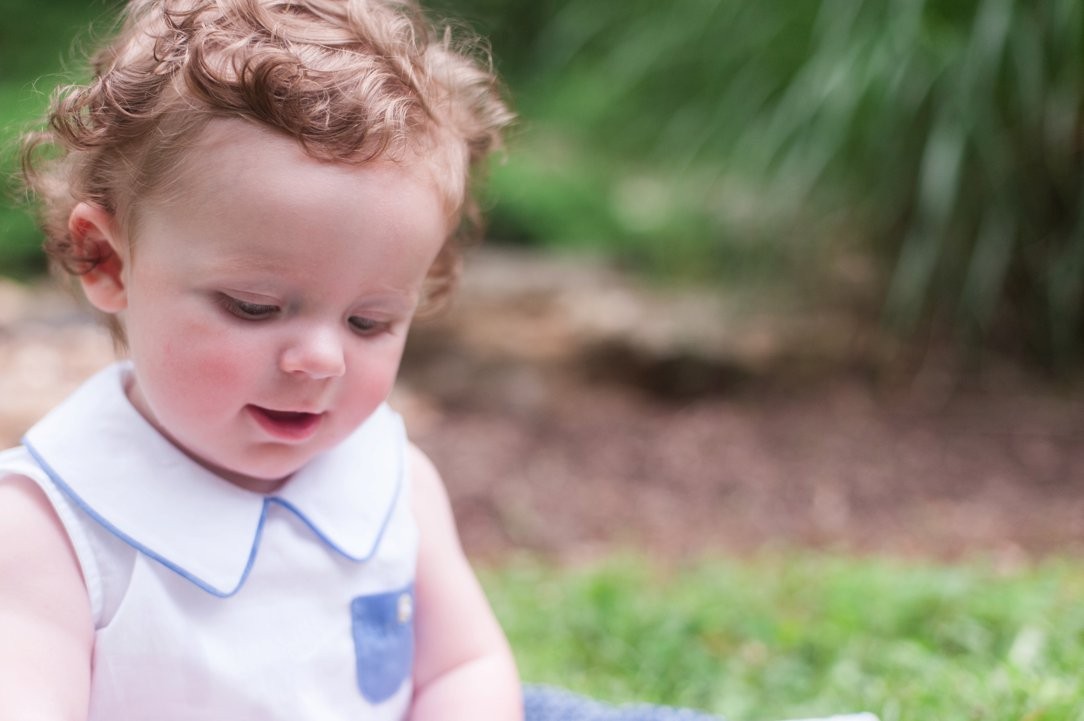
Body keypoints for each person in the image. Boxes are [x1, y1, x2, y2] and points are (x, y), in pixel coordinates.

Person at [0, 0, 728, 719]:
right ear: (107, 258)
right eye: (254, 305)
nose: (321, 359)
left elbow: (461, 667)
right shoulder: (49, 528)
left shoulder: (392, 478)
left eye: (369, 319)